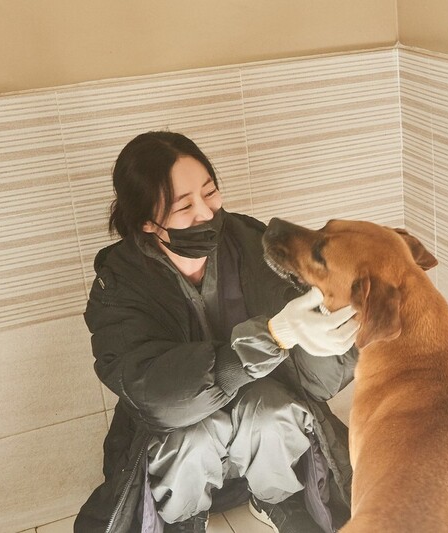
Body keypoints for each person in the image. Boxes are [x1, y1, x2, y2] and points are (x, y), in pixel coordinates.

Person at [74, 131, 360, 533]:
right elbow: (157, 396)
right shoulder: (119, 283)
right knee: (192, 432)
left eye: (210, 192)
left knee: (274, 410)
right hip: (180, 447)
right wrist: (273, 335)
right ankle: (187, 519)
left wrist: (330, 331)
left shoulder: (250, 241)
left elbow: (318, 380)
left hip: (260, 432)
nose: (206, 213)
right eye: (184, 205)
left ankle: (275, 501)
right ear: (147, 221)